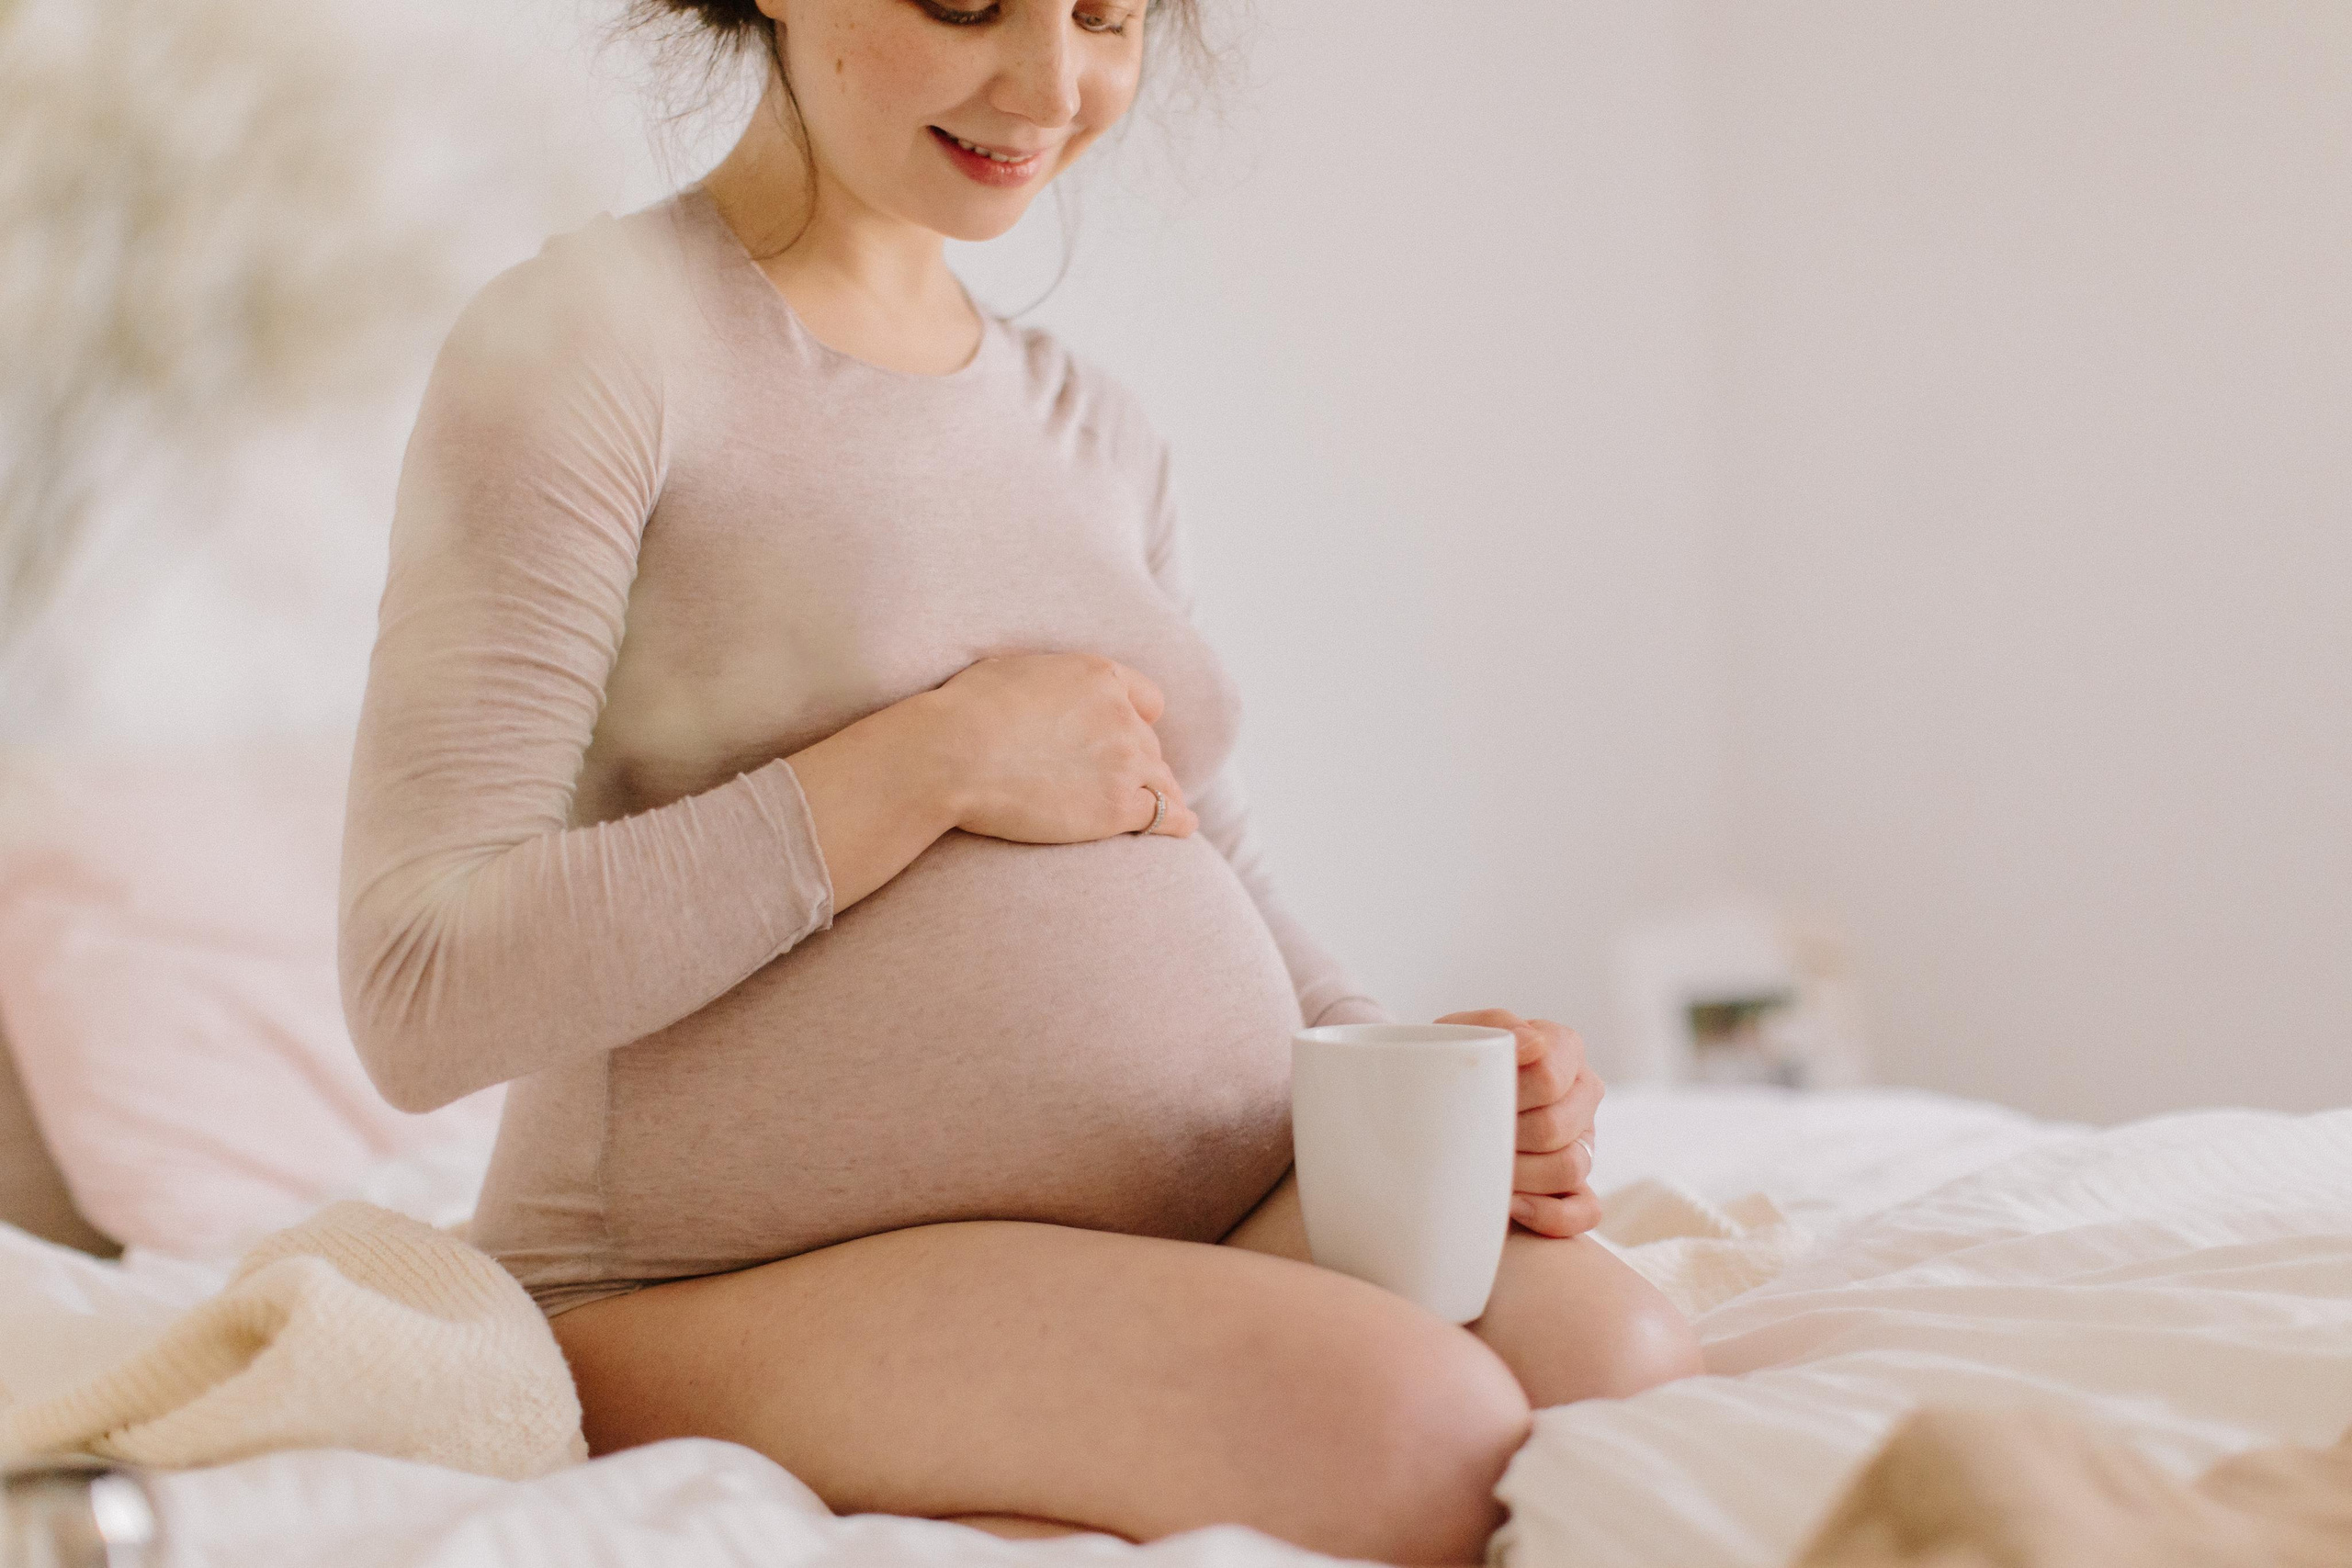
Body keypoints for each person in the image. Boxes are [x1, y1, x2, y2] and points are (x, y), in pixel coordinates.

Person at [335, 1, 1704, 1561]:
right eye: (969, 2)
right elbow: (417, 980)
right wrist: (937, 760)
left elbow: (1206, 857)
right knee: (1419, 1432)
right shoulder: (597, 343)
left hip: (1211, 1206)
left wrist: (1424, 1082)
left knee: (1625, 1371)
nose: (1054, 85)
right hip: (701, 1286)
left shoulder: (1093, 425)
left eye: (1107, 15)